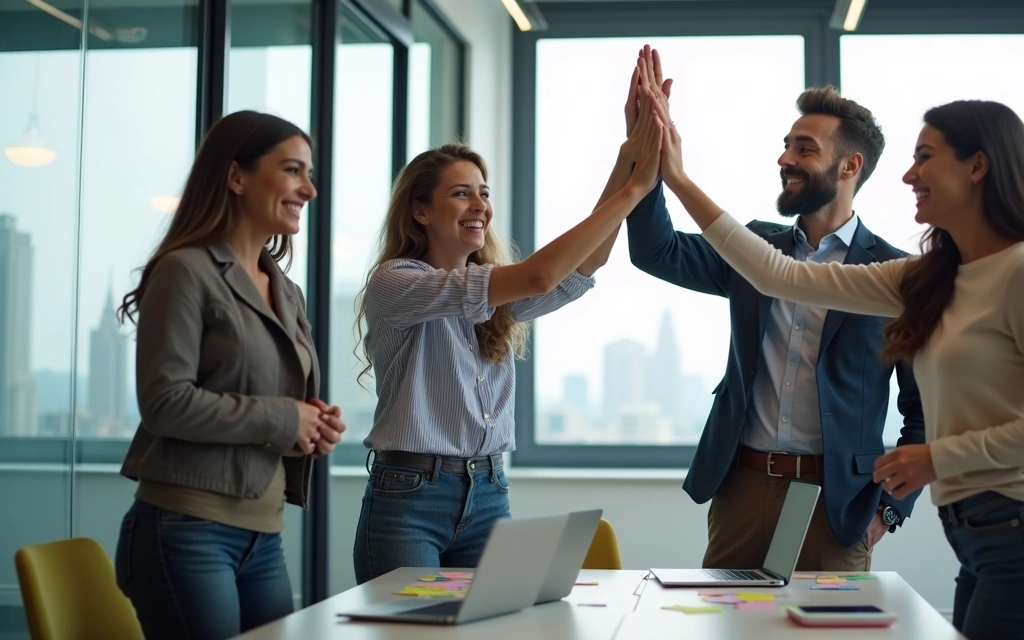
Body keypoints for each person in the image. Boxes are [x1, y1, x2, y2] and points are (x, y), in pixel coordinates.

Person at [654, 87, 1024, 638]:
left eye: (925, 157)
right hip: (978, 535)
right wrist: (674, 177)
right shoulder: (927, 279)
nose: (907, 175)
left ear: (977, 167)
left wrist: (929, 464)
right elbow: (780, 275)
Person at [351, 73, 667, 582]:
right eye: (461, 194)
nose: (480, 205)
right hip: (410, 497)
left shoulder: (495, 294)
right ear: (421, 211)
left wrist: (626, 156)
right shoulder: (397, 282)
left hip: (489, 493)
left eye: (484, 192)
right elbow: (542, 272)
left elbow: (587, 263)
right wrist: (634, 186)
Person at [618, 46, 925, 572]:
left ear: (850, 165)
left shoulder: (896, 275)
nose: (785, 159)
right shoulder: (755, 248)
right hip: (741, 486)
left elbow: (923, 411)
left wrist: (890, 512)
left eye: (804, 148)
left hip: (838, 502)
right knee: (729, 625)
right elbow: (656, 251)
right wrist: (644, 155)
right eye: (786, 146)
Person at [113, 110, 347, 640]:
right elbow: (164, 402)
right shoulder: (186, 270)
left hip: (264, 535)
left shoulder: (285, 290)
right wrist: (283, 416)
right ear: (237, 176)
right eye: (292, 171)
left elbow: (273, 404)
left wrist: (312, 425)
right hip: (186, 529)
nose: (309, 190)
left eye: (309, 174)